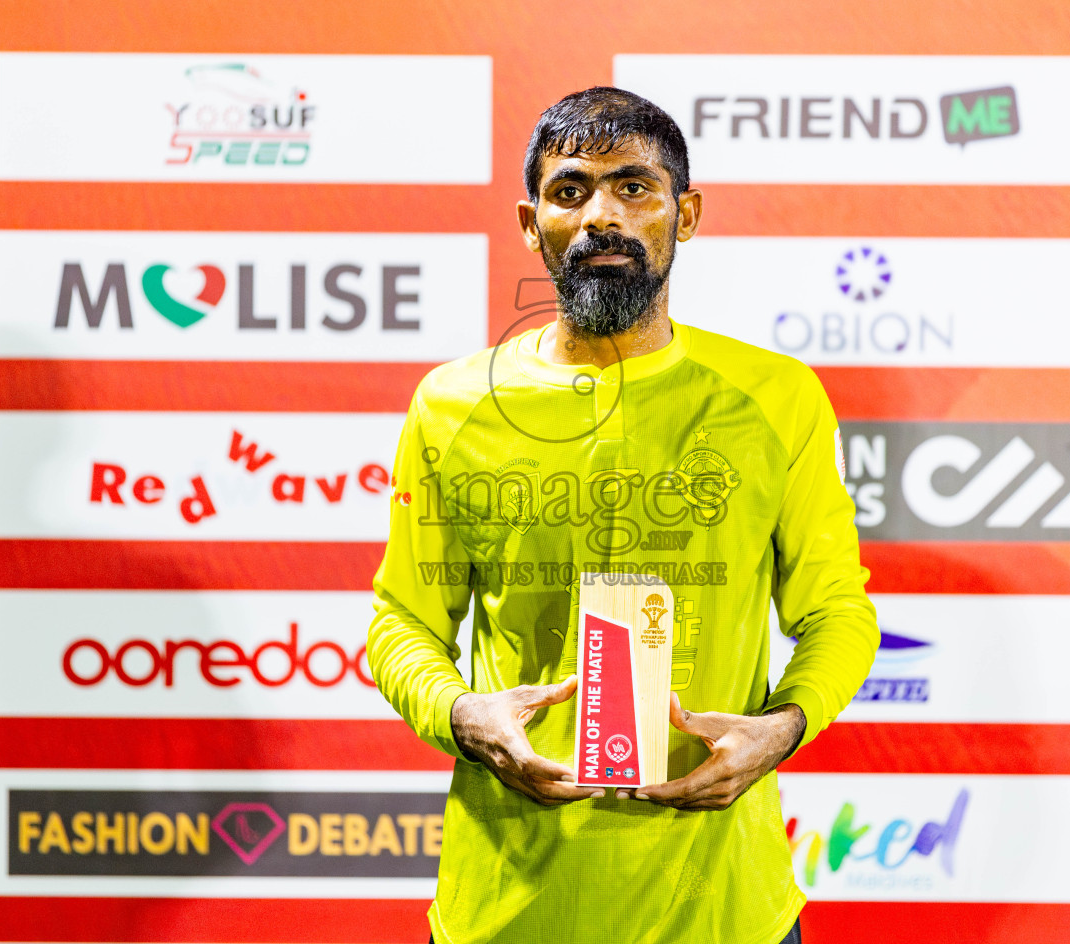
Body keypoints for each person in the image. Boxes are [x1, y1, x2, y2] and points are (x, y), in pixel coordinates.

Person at [368, 86, 878, 944]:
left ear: (687, 213)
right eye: (571, 192)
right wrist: (463, 717)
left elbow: (836, 612)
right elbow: (401, 623)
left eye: (634, 187)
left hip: (725, 911)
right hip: (509, 907)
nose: (602, 214)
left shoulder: (777, 398)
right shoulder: (453, 404)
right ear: (532, 225)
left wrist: (781, 730)